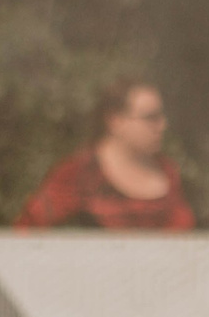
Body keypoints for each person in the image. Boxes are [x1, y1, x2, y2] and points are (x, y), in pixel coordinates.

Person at [16, 81, 197, 231]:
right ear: (115, 120)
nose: (162, 125)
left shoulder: (167, 170)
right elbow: (27, 229)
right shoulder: (80, 171)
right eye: (151, 117)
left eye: (161, 116)